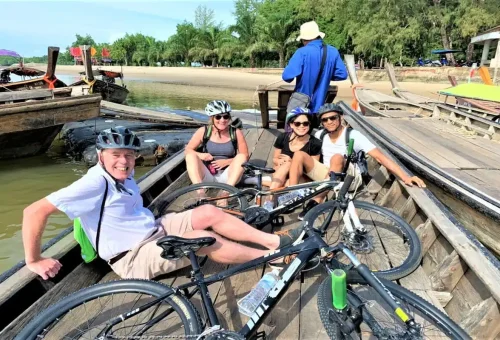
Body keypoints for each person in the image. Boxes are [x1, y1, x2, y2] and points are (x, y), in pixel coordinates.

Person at [22, 127, 303, 280]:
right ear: (101, 156)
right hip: (132, 257)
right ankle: (271, 258)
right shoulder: (95, 182)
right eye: (116, 155)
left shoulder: (125, 175)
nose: (124, 161)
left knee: (207, 210)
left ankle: (273, 242)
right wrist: (34, 260)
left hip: (155, 229)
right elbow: (34, 211)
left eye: (129, 155)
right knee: (202, 238)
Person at [287, 103, 426, 219]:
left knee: (337, 157)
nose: (329, 122)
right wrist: (285, 158)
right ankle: (292, 196)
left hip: (349, 177)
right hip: (327, 175)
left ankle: (316, 200)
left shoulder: (353, 135)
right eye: (325, 120)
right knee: (299, 154)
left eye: (333, 118)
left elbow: (379, 157)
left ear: (340, 117)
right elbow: (299, 141)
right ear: (321, 123)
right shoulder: (320, 134)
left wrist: (405, 177)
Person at [282, 21, 348, 116]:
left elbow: (287, 77)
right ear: (318, 36)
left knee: (294, 127)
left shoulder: (301, 52)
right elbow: (342, 75)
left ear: (304, 39)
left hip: (300, 106)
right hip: (319, 108)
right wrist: (327, 75)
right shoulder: (333, 51)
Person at [263, 107, 322, 211]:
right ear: (291, 125)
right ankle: (270, 200)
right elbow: (275, 159)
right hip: (282, 173)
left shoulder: (315, 143)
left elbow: (313, 169)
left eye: (305, 123)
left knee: (288, 165)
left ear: (309, 124)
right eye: (297, 123)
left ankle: (271, 194)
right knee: (285, 166)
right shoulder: (283, 137)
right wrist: (280, 161)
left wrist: (291, 162)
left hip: (302, 177)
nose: (302, 126)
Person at [185, 100, 248, 186]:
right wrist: (201, 155)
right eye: (218, 117)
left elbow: (245, 156)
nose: (222, 120)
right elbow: (188, 150)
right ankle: (201, 193)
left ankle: (225, 194)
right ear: (212, 118)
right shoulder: (203, 131)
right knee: (190, 156)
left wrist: (226, 162)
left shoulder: (236, 132)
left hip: (228, 176)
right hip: (207, 174)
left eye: (225, 117)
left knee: (241, 157)